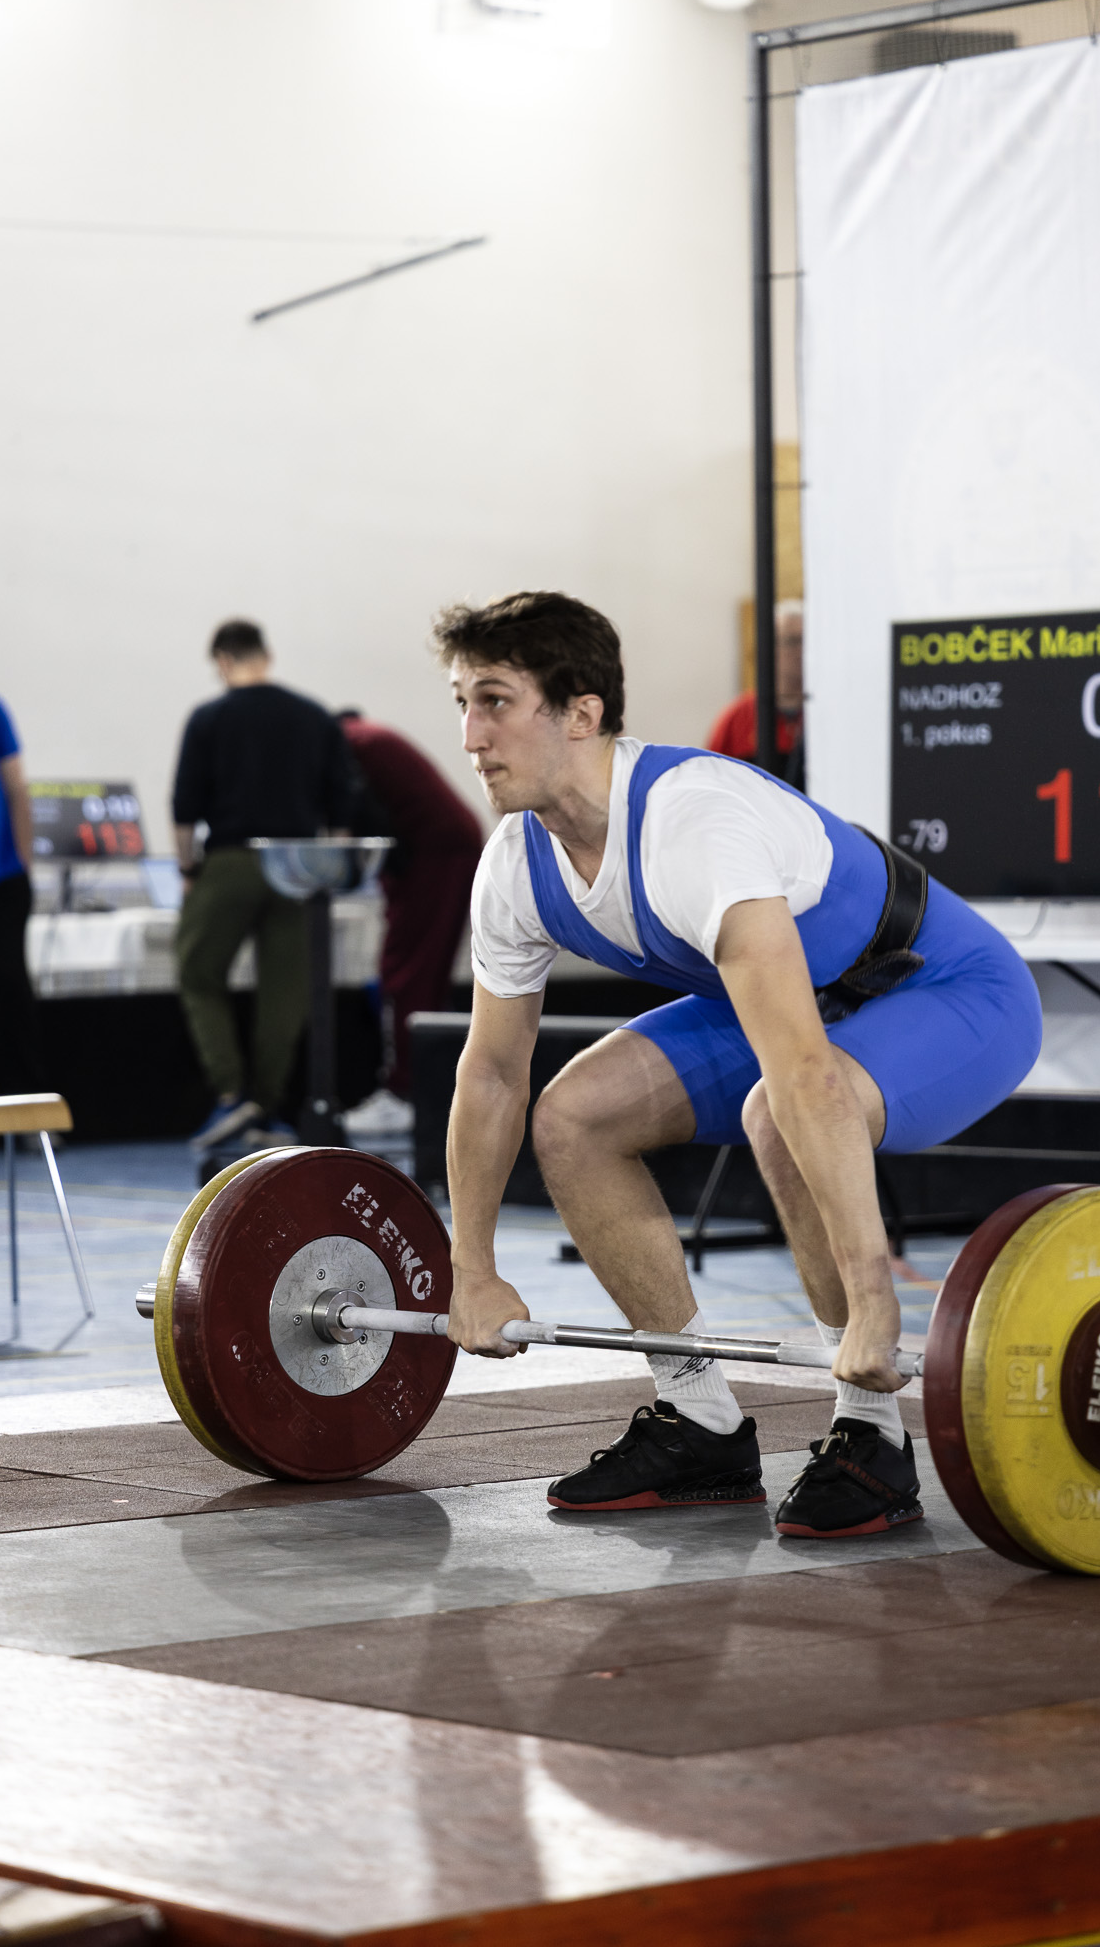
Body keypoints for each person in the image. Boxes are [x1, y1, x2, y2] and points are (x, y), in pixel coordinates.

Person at [438, 592, 1042, 1540]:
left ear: (581, 712)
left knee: (778, 1110)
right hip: (797, 1007)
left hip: (947, 994)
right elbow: (491, 1074)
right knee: (573, 1116)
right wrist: (470, 1267)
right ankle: (700, 1423)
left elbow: (800, 1073)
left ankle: (872, 1433)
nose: (471, 736)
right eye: (463, 705)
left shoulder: (691, 823)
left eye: (495, 702)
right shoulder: (516, 863)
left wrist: (872, 1301)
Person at [172, 620, 356, 1152]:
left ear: (223, 661)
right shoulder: (314, 716)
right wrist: (328, 874)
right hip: (297, 866)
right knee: (286, 991)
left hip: (230, 860)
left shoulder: (209, 717)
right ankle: (268, 1104)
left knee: (198, 972)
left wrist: (188, 870)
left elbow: (185, 807)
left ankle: (232, 1095)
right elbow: (342, 807)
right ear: (266, 655)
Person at [337, 713, 483, 1136]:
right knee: (420, 976)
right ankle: (425, 1091)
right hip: (434, 850)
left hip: (436, 852)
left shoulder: (350, 744)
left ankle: (403, 1095)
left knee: (408, 976)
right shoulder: (365, 737)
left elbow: (348, 817)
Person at [0, 696, 43, 1098]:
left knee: (10, 987)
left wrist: (24, 863)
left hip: (5, 877)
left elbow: (17, 788)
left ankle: (26, 1100)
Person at [706, 600, 804, 787]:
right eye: (792, 641)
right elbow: (712, 781)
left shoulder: (828, 715)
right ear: (769, 648)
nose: (801, 651)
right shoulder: (738, 718)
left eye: (806, 641)